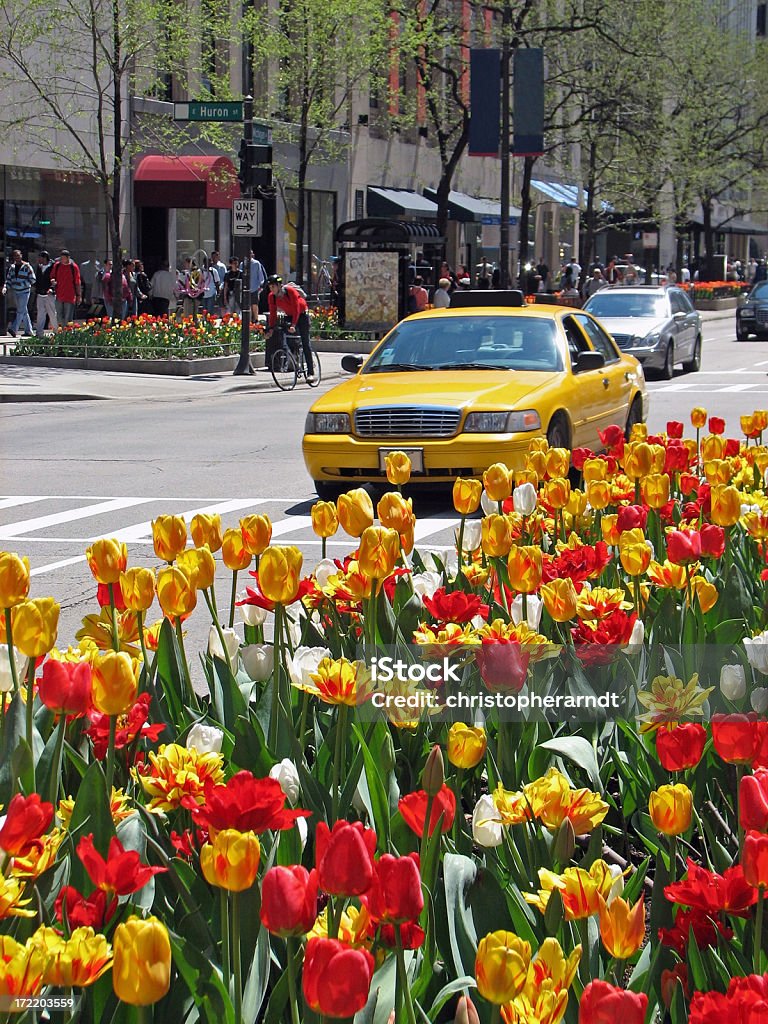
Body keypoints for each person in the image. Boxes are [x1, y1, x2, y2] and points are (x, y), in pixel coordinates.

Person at [266, 273, 315, 379]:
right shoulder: (272, 297)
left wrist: (293, 325)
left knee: (305, 342)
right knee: (285, 339)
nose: (272, 289)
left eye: (273, 286)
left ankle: (310, 372)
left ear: (279, 285)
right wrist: (270, 329)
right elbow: (273, 314)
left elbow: (296, 308)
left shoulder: (290, 291)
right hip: (289, 315)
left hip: (301, 314)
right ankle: (294, 362)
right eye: (270, 287)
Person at [2, 249, 35, 337]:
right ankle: (29, 331)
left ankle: (14, 329)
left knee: (20, 311)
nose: (17, 258)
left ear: (21, 256)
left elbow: (32, 279)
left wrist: (22, 284)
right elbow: (8, 280)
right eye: (15, 256)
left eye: (18, 256)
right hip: (16, 292)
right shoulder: (12, 268)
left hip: (25, 292)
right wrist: (5, 288)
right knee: (24, 311)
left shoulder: (27, 266)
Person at [49, 249, 82, 326]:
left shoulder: (73, 267)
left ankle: (67, 334)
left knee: (68, 317)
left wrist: (79, 295)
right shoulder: (57, 266)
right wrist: (53, 281)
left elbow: (77, 282)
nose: (62, 260)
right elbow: (52, 276)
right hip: (59, 295)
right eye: (61, 258)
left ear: (68, 258)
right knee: (59, 316)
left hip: (70, 296)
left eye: (64, 258)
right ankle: (61, 333)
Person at [34, 250, 58, 337]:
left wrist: (52, 288)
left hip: (49, 294)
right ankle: (39, 333)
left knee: (52, 313)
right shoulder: (39, 267)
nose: (39, 259)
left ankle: (56, 331)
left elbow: (55, 279)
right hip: (40, 294)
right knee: (40, 314)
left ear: (44, 258)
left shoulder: (53, 267)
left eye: (40, 257)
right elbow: (37, 279)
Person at [247, 251, 267, 321]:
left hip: (255, 288)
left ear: (252, 255)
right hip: (246, 288)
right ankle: (248, 321)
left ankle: (256, 319)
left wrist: (260, 286)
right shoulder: (242, 263)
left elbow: (261, 276)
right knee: (247, 306)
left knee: (254, 304)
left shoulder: (256, 263)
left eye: (250, 253)